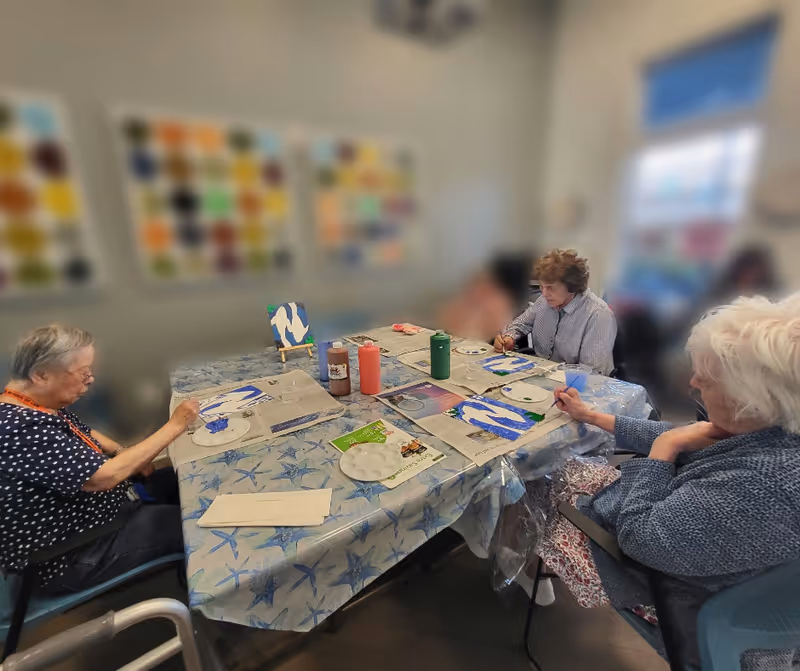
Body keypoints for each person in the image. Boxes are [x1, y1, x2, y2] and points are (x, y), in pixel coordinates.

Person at [540, 293, 800, 668]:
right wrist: (592, 416)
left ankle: (525, 566)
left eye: (706, 380)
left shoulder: (761, 488)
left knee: (538, 486)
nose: (693, 381)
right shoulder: (773, 427)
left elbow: (639, 538)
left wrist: (663, 451)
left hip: (656, 582)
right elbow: (687, 435)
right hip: (681, 539)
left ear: (751, 400)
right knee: (571, 467)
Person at [0, 324, 199, 593]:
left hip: (107, 509)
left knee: (188, 480)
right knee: (195, 527)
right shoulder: (17, 429)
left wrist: (120, 451)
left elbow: (82, 431)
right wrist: (176, 425)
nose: (90, 380)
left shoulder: (26, 402)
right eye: (82, 373)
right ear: (41, 374)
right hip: (72, 553)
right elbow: (103, 478)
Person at [494, 249, 616, 375]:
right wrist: (509, 337)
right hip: (541, 373)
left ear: (572, 287)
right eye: (542, 286)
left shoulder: (598, 315)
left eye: (550, 287)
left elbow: (591, 373)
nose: (544, 293)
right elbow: (521, 324)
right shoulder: (544, 300)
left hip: (573, 383)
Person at [440, 251, 534, 342]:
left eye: (482, 284)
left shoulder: (499, 302)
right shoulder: (464, 301)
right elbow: (448, 326)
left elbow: (499, 334)